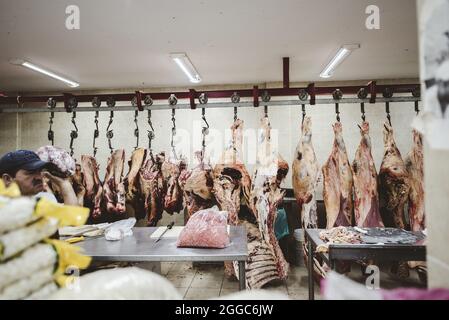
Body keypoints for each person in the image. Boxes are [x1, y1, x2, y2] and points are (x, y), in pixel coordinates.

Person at [0, 149, 78, 205]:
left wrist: (64, 183)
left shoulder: (44, 199)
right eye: (30, 172)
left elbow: (72, 221)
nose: (39, 177)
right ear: (7, 179)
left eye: (40, 171)